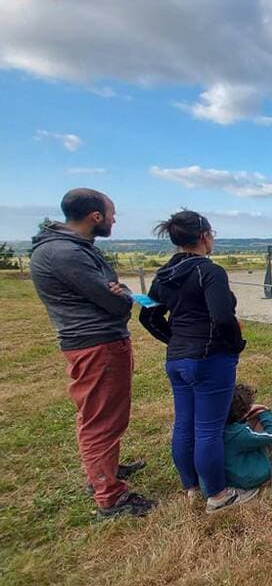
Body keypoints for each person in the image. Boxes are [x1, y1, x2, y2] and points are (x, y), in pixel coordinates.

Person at [30, 188, 156, 519]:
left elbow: (115, 290)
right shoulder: (65, 253)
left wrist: (119, 293)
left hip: (96, 340)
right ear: (95, 216)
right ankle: (110, 497)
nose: (114, 219)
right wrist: (120, 296)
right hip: (96, 344)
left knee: (102, 415)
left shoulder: (71, 248)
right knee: (102, 420)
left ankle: (105, 472)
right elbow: (114, 299)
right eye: (111, 213)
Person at [139, 210, 252, 514]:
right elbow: (221, 317)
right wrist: (234, 346)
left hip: (177, 359)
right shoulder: (210, 272)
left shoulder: (163, 274)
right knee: (208, 429)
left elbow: (147, 315)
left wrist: (174, 339)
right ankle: (217, 494)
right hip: (210, 359)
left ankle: (190, 487)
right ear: (204, 236)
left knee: (184, 424)